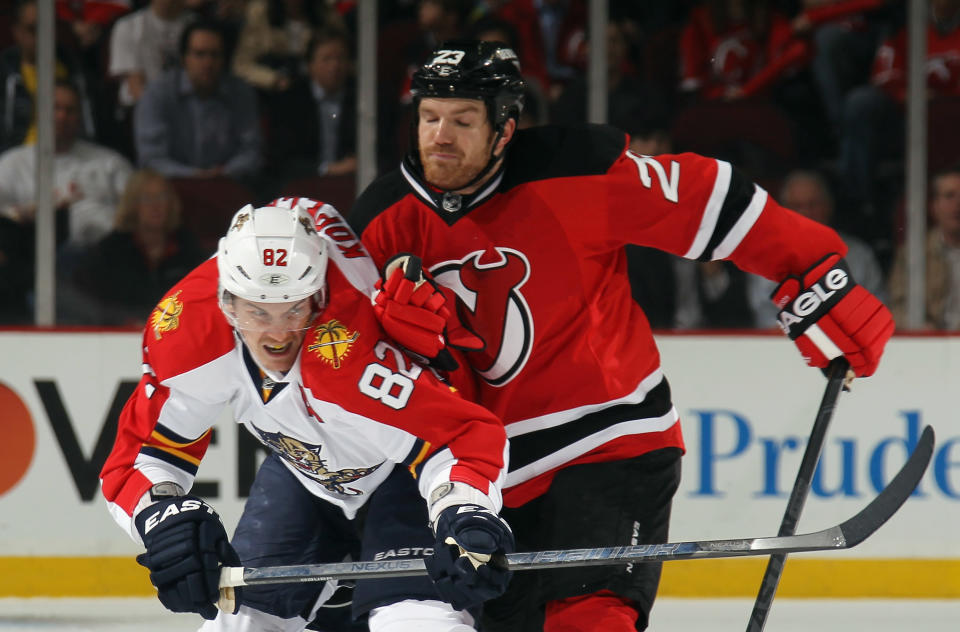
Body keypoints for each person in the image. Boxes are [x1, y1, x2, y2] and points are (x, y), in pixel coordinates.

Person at [348, 40, 895, 631]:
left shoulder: (577, 168)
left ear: (504, 129)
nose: (440, 136)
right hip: (484, 473)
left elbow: (706, 199)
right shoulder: (380, 222)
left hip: (608, 437)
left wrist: (812, 266)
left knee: (590, 619)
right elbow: (342, 363)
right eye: (429, 117)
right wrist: (406, 350)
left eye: (462, 120)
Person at [99, 197, 514, 631]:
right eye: (259, 311)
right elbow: (141, 458)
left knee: (416, 622)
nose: (278, 336)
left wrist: (463, 511)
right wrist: (162, 518)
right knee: (238, 625)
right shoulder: (186, 331)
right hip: (303, 473)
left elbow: (459, 435)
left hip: (404, 478)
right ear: (227, 302)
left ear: (318, 296)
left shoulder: (346, 352)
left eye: (294, 309)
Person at [0, 80, 132, 253]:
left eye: (70, 110)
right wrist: (23, 214)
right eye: (56, 108)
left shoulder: (110, 163)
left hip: (103, 260)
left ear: (79, 116)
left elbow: (137, 213)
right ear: (39, 114)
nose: (62, 116)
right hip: (31, 261)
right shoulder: (11, 164)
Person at [749, 169, 887, 328]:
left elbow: (877, 310)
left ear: (829, 206)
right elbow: (763, 315)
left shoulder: (859, 255)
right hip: (782, 347)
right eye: (796, 206)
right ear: (783, 211)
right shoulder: (765, 257)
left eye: (813, 204)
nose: (805, 212)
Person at [69, 169, 205, 327]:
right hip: (118, 336)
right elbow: (92, 303)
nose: (156, 205)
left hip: (176, 332)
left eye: (162, 197)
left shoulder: (187, 247)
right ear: (132, 204)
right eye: (147, 198)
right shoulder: (110, 251)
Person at [134, 19, 262, 180]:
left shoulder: (241, 93)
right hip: (172, 186)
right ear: (184, 58)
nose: (208, 63)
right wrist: (195, 176)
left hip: (228, 183)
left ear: (224, 59)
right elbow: (151, 158)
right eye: (199, 54)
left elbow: (251, 151)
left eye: (215, 55)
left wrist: (225, 172)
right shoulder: (157, 94)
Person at [888, 164, 960, 330]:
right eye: (950, 196)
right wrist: (919, 327)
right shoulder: (913, 253)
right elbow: (897, 306)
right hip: (926, 347)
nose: (958, 204)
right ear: (934, 206)